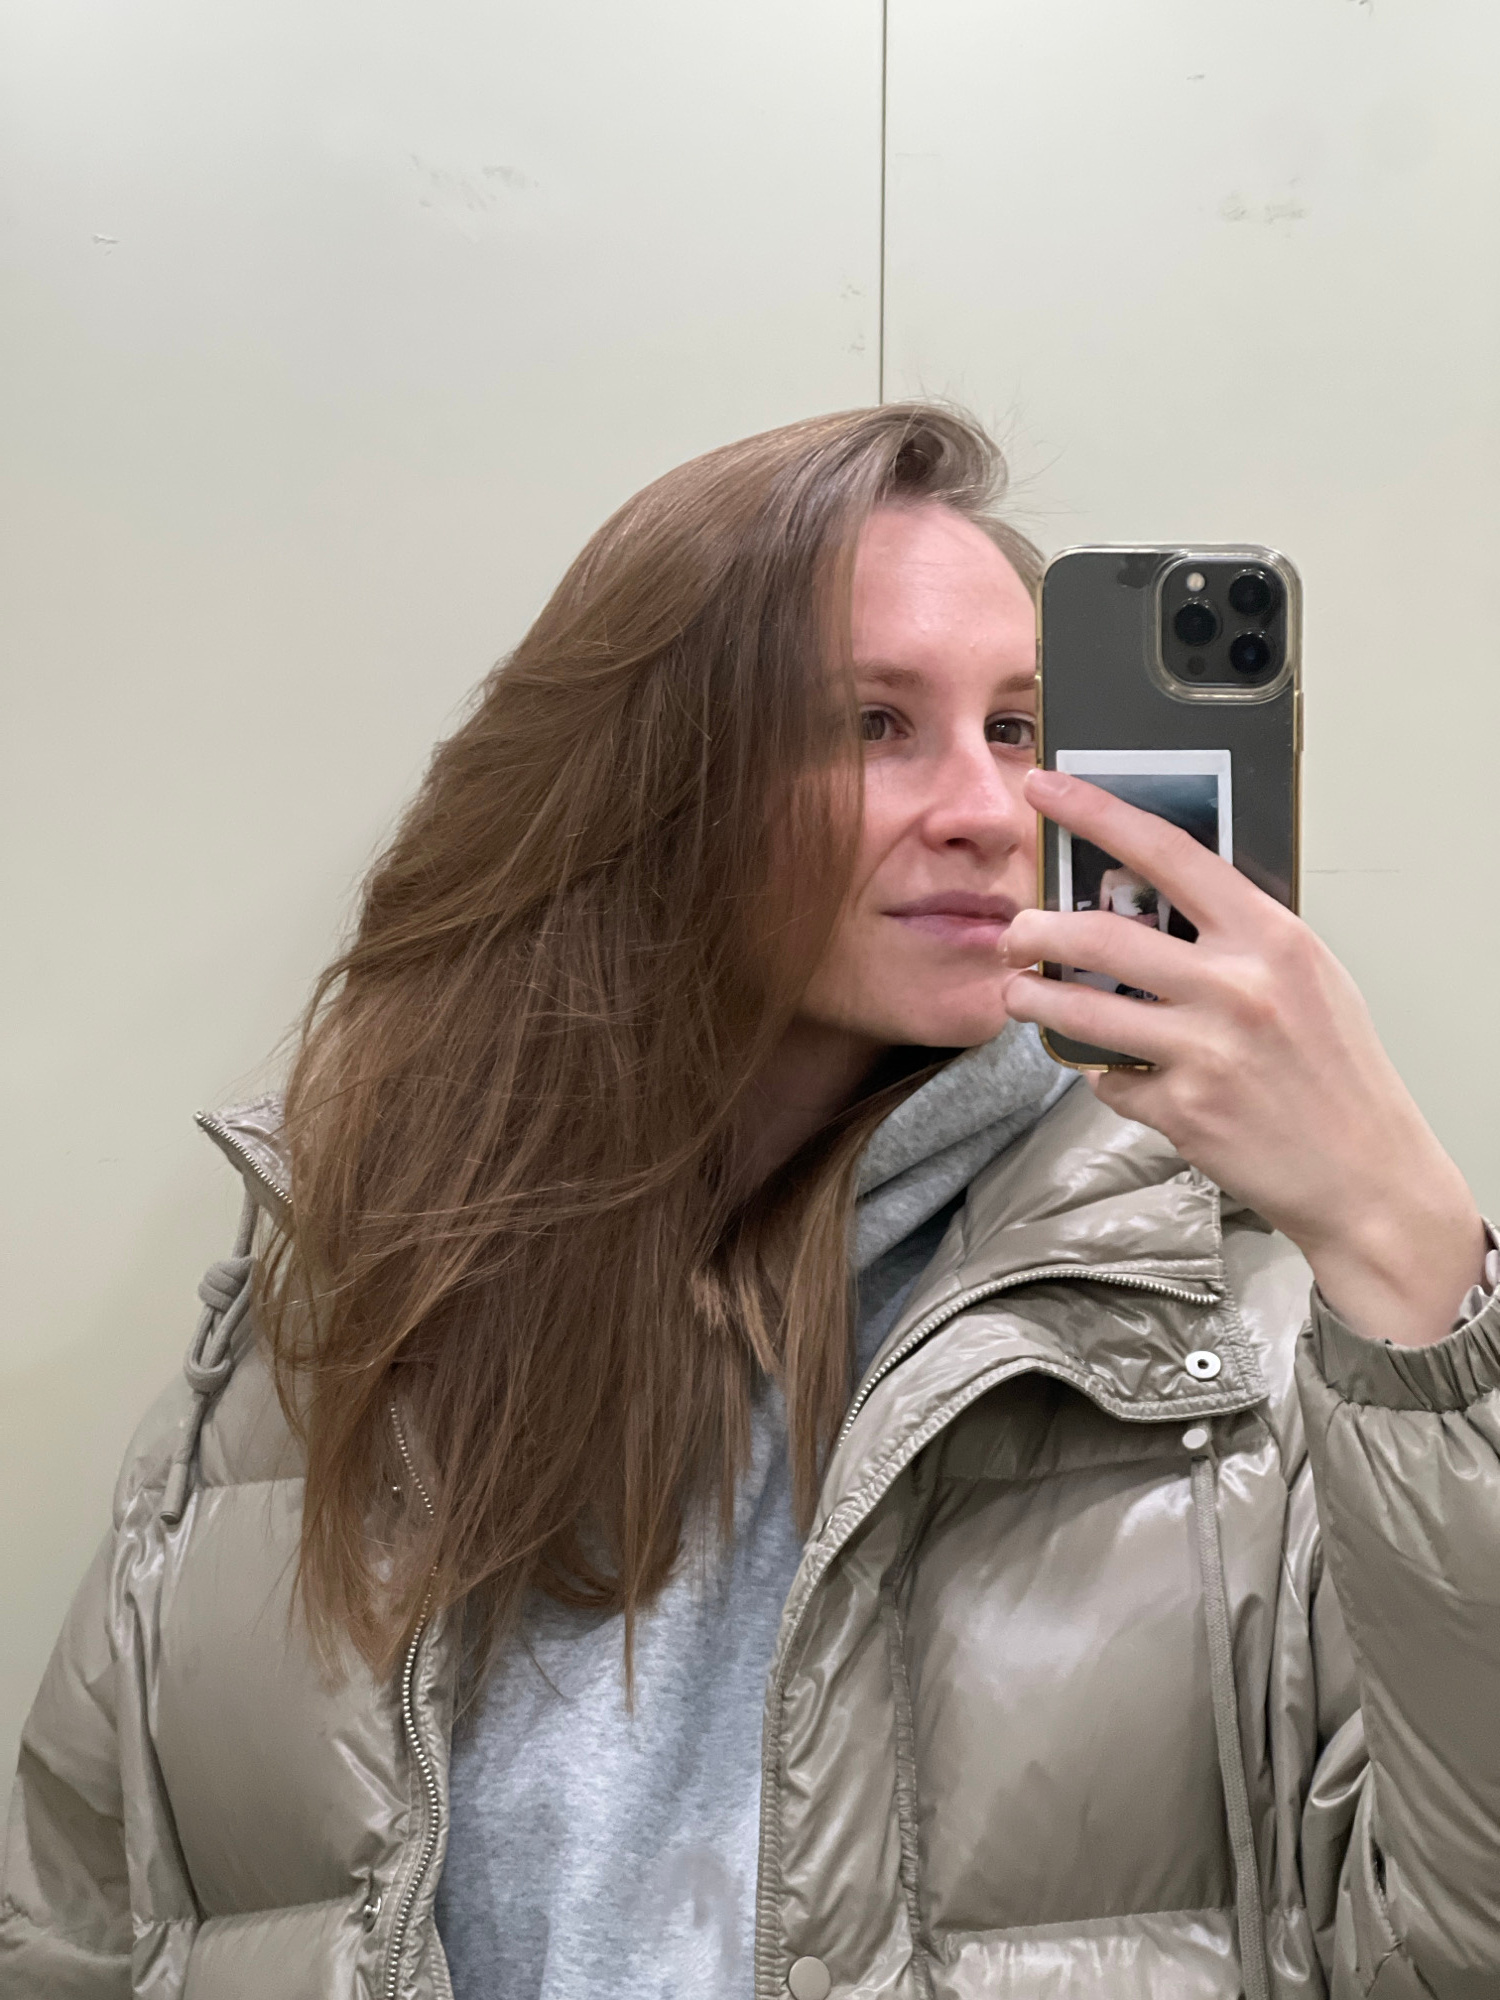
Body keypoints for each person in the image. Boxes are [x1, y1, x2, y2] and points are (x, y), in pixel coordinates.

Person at [3, 406, 1497, 2000]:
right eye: (871, 724)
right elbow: (80, 1939)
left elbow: (1455, 1945)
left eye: (1018, 729)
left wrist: (1398, 1240)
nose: (989, 810)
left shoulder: (1244, 1359)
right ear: (649, 782)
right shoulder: (328, 1348)